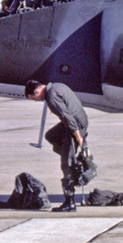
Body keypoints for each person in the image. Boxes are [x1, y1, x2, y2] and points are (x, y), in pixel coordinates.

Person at [25, 79, 89, 212]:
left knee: (66, 163)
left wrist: (78, 137)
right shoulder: (57, 86)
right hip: (79, 119)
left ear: (37, 91)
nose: (36, 101)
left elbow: (67, 117)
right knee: (50, 136)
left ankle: (70, 202)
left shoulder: (51, 96)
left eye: (34, 98)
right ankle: (70, 155)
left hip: (74, 125)